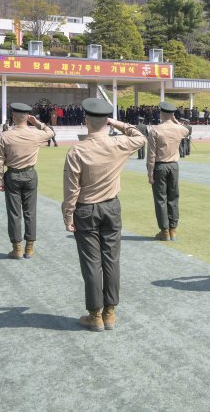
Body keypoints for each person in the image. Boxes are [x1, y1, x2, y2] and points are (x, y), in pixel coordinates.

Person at [62, 98, 146, 332]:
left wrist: (68, 215)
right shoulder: (118, 143)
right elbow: (140, 137)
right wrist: (117, 123)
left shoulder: (77, 150)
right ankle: (110, 313)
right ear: (106, 122)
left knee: (92, 264)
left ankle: (95, 315)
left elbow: (71, 189)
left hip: (86, 209)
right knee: (111, 260)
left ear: (86, 120)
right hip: (111, 207)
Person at [0, 103, 56, 259]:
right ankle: (29, 248)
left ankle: (17, 249)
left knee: (14, 214)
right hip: (30, 175)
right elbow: (50, 132)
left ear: (13, 116)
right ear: (28, 117)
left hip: (12, 175)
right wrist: (37, 123)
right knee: (30, 212)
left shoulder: (5, 136)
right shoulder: (35, 134)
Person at [147, 101, 192, 241]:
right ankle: (173, 229)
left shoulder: (155, 130)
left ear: (161, 113)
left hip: (160, 166)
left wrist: (150, 172)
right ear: (173, 114)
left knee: (161, 199)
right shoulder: (180, 129)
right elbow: (186, 130)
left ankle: (164, 231)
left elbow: (151, 154)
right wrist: (175, 120)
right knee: (173, 197)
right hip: (174, 166)